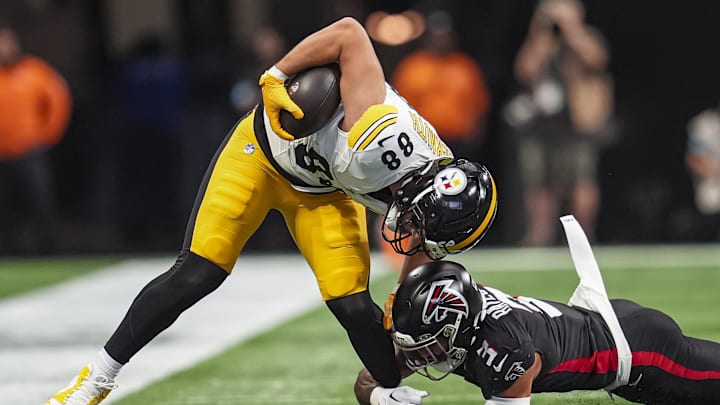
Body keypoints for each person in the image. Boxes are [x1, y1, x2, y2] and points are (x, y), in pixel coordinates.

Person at [46, 17, 498, 405]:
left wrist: (400, 315)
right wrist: (277, 74)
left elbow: (420, 247)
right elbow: (350, 33)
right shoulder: (379, 132)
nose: (415, 233)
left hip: (323, 189)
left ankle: (387, 393)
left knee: (356, 306)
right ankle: (96, 379)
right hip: (262, 154)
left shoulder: (433, 200)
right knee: (199, 271)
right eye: (421, 223)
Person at [355, 219, 720, 404]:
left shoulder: (504, 351)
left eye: (429, 346)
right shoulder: (443, 314)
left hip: (641, 354)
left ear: (458, 328)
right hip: (614, 327)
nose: (420, 357)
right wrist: (379, 396)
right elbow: (367, 379)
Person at [503, 0, 614, 245]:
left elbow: (596, 60)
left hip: (577, 124)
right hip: (540, 125)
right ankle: (538, 238)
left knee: (581, 180)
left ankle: (585, 237)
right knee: (539, 184)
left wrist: (571, 27)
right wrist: (539, 31)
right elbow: (524, 70)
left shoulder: (586, 37)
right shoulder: (543, 42)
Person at [0, 25, 72, 254]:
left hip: (30, 151)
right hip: (2, 153)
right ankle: (8, 253)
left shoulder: (34, 71)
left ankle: (52, 251)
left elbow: (58, 101)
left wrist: (48, 134)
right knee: (4, 210)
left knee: (41, 203)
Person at [685, 103, 720, 239]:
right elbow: (693, 159)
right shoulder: (705, 124)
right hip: (711, 183)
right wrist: (714, 173)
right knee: (710, 197)